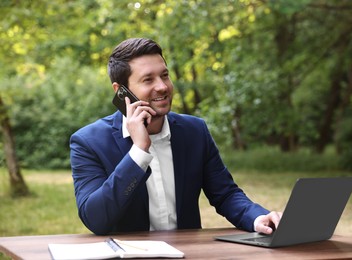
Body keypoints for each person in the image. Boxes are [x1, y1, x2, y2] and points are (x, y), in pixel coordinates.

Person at [70, 38, 282, 235]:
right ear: (121, 91)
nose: (162, 86)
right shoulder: (88, 142)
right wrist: (139, 152)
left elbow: (225, 194)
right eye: (148, 79)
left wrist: (257, 218)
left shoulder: (195, 131)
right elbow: (96, 219)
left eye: (164, 75)